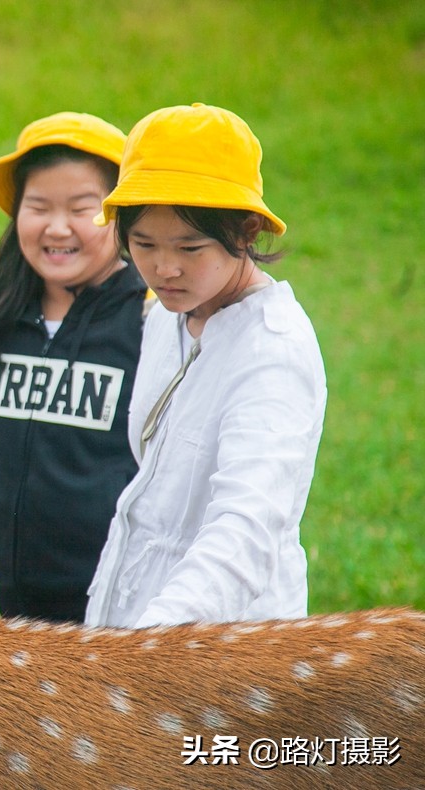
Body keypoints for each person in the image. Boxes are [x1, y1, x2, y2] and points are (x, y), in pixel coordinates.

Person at [84, 103, 327, 628]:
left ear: (246, 231)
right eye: (143, 244)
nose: (163, 268)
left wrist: (150, 644)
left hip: (221, 664)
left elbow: (246, 529)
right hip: (132, 641)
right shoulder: (167, 315)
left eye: (190, 247)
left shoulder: (272, 352)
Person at [0, 112, 148, 622]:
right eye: (38, 207)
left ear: (121, 215)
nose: (56, 227)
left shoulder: (150, 322)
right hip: (18, 621)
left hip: (123, 620)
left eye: (82, 209)